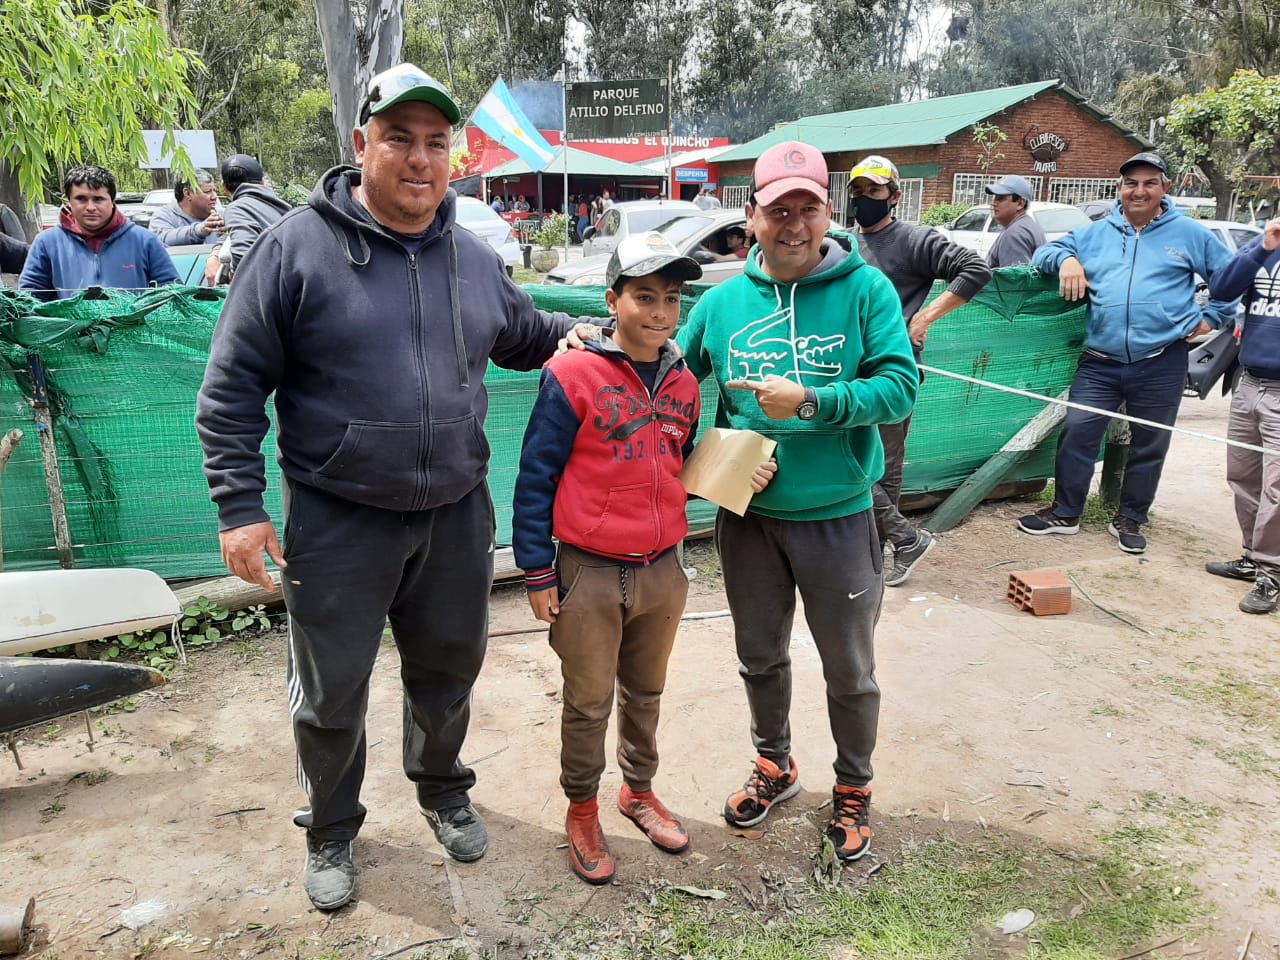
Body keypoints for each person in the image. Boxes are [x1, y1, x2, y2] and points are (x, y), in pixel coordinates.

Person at [195, 63, 603, 913]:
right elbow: (231, 386)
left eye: (435, 143)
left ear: (452, 155)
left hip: (455, 513)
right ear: (361, 144)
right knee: (331, 691)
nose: (420, 159)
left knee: (450, 669)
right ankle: (331, 826)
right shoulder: (294, 249)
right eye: (399, 139)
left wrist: (584, 333)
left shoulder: (472, 258)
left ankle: (442, 788)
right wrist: (239, 507)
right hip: (337, 519)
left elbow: (527, 333)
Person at [677, 141, 918, 863]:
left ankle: (853, 786)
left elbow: (900, 388)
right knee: (759, 655)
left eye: (806, 208)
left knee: (849, 669)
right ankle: (774, 763)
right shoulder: (721, 304)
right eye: (777, 210)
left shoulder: (866, 291)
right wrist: (705, 459)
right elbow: (670, 386)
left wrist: (813, 400)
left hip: (837, 514)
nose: (792, 224)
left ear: (827, 212)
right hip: (747, 518)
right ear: (752, 218)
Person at [513, 232, 773, 884]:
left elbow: (674, 466)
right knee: (588, 701)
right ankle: (582, 809)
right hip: (589, 570)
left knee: (647, 693)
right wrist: (538, 571)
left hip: (662, 567)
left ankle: (638, 791)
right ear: (612, 301)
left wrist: (734, 471)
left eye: (672, 299)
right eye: (644, 297)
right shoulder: (571, 375)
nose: (660, 312)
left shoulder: (683, 380)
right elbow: (535, 477)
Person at [1020, 152, 1238, 553]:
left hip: (1162, 359)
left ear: (1165, 188)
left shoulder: (1189, 234)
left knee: (1150, 443)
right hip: (1100, 362)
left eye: (1149, 183)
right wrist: (1067, 260)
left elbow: (1231, 276)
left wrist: (1214, 317)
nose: (1139, 191)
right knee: (1078, 432)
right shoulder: (1094, 234)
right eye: (1131, 183)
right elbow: (1042, 254)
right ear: (1119, 188)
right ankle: (1066, 513)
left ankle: (1131, 517)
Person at [847, 154, 992, 586]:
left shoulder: (913, 240)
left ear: (894, 196)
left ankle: (884, 549)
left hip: (893, 372)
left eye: (874, 190)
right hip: (848, 371)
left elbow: (976, 269)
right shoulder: (845, 243)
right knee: (858, 459)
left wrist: (924, 318)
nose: (865, 198)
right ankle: (899, 542)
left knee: (877, 466)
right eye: (858, 190)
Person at [1204, 217, 1280, 614]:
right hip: (1249, 381)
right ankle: (1253, 556)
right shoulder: (1263, 245)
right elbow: (1221, 289)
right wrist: (1262, 248)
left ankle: (1273, 573)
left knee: (1277, 489)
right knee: (1243, 476)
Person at [20, 164, 178, 301]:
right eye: (81, 199)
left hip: (134, 327)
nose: (90, 207)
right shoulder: (47, 243)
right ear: (69, 202)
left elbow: (172, 293)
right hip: (70, 327)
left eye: (98, 199)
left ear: (112, 201)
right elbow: (30, 298)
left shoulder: (145, 241)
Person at [204, 154, 291, 284]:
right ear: (263, 183)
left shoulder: (237, 208)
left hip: (271, 290)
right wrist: (216, 251)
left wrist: (231, 277)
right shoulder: (284, 209)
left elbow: (243, 257)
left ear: (224, 187)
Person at [984, 174, 1046, 267]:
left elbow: (1015, 276)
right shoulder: (1025, 225)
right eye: (995, 198)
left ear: (1020, 203)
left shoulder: (1015, 234)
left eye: (1000, 198)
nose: (993, 203)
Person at [148, 172, 224, 247]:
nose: (214, 197)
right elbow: (160, 240)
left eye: (214, 191)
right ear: (187, 193)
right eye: (207, 192)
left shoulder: (222, 215)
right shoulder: (164, 216)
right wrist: (198, 230)